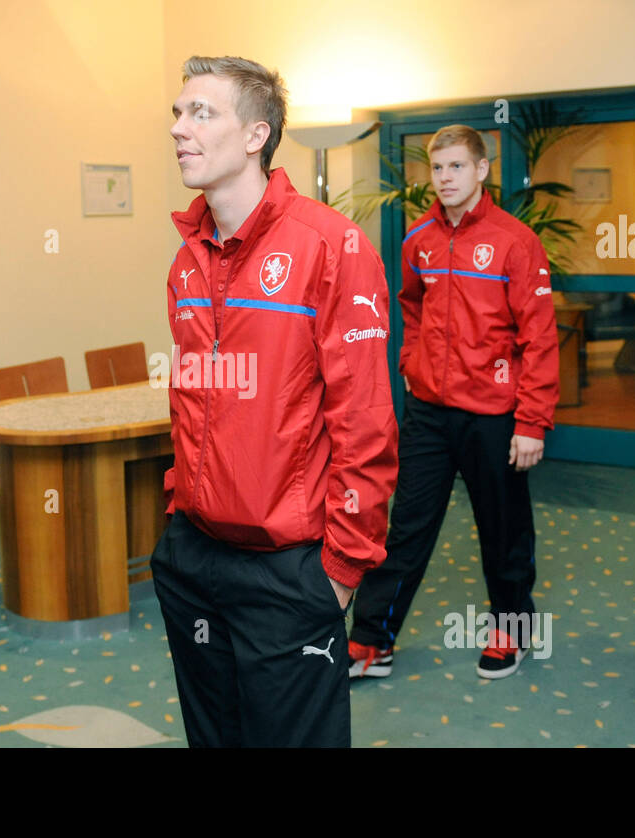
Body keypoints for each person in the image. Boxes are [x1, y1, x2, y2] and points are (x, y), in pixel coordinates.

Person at [152, 55, 398, 747]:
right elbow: (194, 401)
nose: (179, 128)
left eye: (201, 113)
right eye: (177, 112)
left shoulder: (331, 245)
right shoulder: (186, 258)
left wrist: (343, 569)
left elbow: (366, 420)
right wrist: (180, 505)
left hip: (289, 568)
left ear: (257, 134)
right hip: (194, 555)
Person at [347, 125, 559, 681]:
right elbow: (410, 309)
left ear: (482, 169)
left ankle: (513, 633)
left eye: (456, 167)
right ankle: (373, 639)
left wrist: (532, 422)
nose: (444, 179)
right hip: (429, 414)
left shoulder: (516, 241)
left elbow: (539, 337)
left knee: (504, 531)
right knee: (408, 528)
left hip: (494, 416)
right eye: (438, 169)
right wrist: (411, 365)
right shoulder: (419, 240)